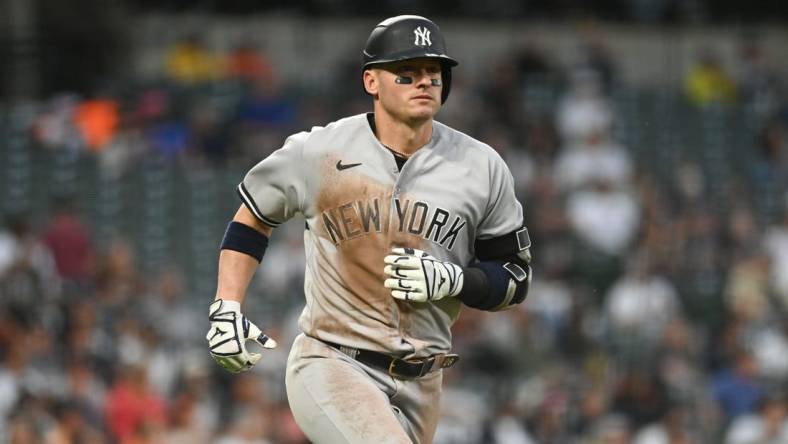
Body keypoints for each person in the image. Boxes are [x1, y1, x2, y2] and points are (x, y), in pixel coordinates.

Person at [205, 15, 533, 444]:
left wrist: (458, 280)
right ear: (371, 81)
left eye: (434, 74)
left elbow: (515, 277)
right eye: (407, 73)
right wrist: (226, 305)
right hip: (332, 361)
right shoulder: (319, 151)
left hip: (424, 380)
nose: (424, 83)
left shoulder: (481, 166)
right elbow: (253, 219)